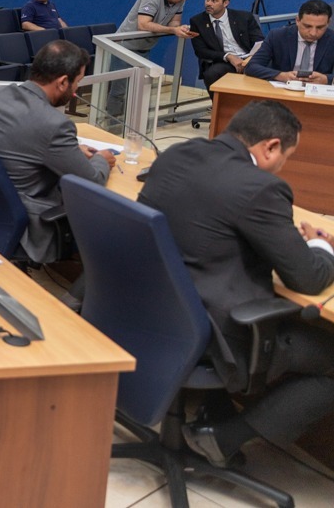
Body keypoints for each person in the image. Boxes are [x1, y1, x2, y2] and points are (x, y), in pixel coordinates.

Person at [137, 101, 334, 469]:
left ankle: (215, 410)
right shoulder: (260, 187)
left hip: (148, 311)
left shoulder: (178, 154)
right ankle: (222, 438)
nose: (281, 167)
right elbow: (308, 277)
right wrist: (322, 246)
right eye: (285, 157)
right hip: (213, 332)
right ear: (271, 146)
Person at [0, 40, 114, 263]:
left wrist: (68, 150)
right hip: (31, 224)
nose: (77, 90)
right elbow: (92, 182)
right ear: (62, 82)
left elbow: (20, 139)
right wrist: (101, 160)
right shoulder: (55, 124)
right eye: (77, 82)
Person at [188, 0, 264, 90]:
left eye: (214, 1)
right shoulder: (197, 21)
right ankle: (218, 105)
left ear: (225, 3)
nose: (208, 3)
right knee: (212, 74)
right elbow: (201, 51)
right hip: (225, 61)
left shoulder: (244, 18)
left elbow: (259, 42)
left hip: (249, 58)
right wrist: (228, 56)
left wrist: (248, 60)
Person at [245, 0, 334, 85]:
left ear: (328, 23)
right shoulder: (277, 36)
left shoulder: (331, 39)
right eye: (307, 26)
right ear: (298, 20)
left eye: (320, 27)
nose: (313, 33)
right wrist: (281, 76)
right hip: (283, 91)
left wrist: (327, 79)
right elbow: (251, 67)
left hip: (319, 94)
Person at [117, 0, 195, 55]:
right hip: (123, 48)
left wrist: (180, 29)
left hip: (144, 49)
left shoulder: (180, 0)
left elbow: (174, 22)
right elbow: (143, 25)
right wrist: (173, 30)